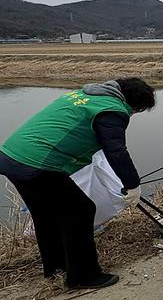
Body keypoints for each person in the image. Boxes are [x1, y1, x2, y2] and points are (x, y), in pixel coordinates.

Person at [0, 78, 155, 290]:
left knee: (45, 214)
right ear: (134, 105)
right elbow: (116, 151)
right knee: (81, 212)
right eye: (136, 111)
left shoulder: (86, 95)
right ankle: (83, 276)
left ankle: (55, 266)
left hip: (11, 157)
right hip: (38, 164)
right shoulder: (113, 110)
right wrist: (132, 184)